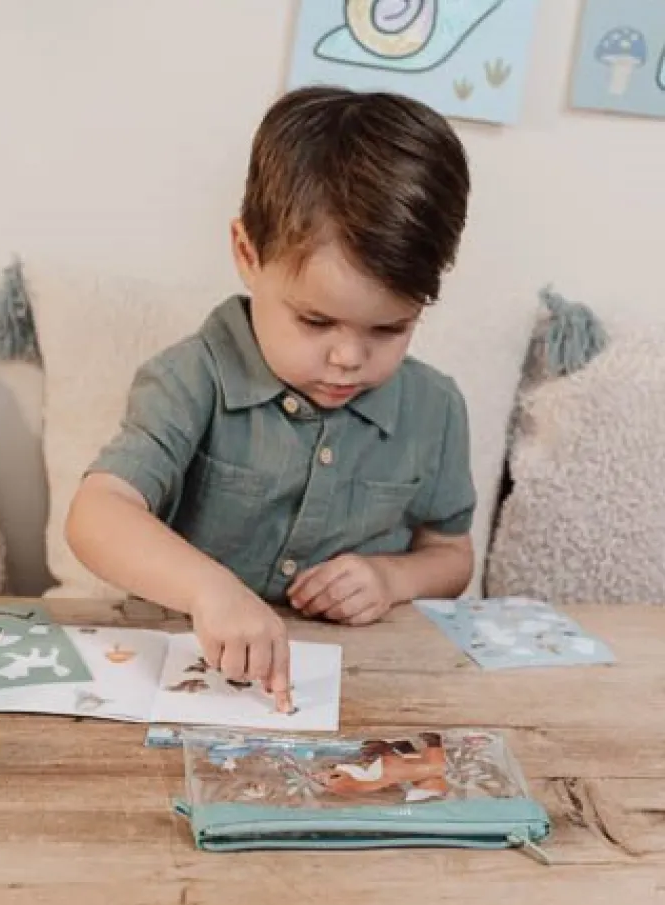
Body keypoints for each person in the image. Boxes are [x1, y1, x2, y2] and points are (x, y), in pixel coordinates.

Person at [65, 86, 477, 712]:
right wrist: (211, 591)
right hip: (182, 679)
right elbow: (97, 513)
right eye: (315, 321)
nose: (348, 358)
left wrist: (392, 578)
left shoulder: (436, 407)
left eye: (389, 329)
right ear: (247, 255)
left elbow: (450, 555)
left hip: (366, 693)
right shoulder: (190, 378)